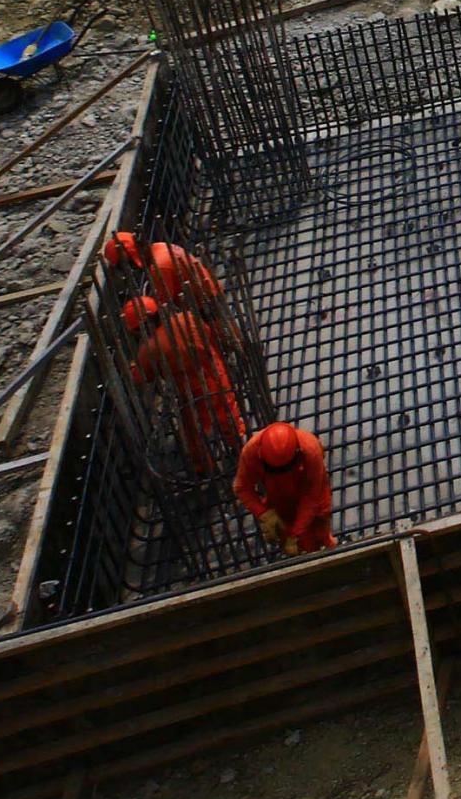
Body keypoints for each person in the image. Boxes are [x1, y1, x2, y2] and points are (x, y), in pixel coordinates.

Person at [126, 294, 245, 475]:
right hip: (216, 375)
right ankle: (239, 449)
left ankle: (205, 469)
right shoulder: (187, 317)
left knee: (194, 434)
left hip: (192, 394)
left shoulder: (149, 349)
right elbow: (207, 333)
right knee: (228, 415)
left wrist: (133, 366)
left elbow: (140, 378)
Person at [234, 421, 336, 555]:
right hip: (277, 495)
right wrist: (264, 513)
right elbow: (242, 487)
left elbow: (312, 497)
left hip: (309, 490)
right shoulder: (251, 451)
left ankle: (328, 547)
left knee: (319, 527)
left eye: (285, 468)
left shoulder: (311, 449)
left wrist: (296, 534)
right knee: (284, 532)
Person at [105, 230, 223, 312]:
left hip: (206, 305)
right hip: (209, 290)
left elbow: (164, 306)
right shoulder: (159, 246)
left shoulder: (158, 268)